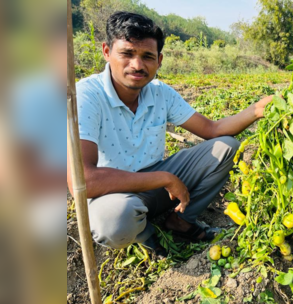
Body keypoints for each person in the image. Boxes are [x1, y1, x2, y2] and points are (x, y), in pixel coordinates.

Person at [66, 11, 272, 250]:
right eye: (127, 54)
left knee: (227, 147)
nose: (137, 65)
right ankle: (146, 234)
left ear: (159, 60)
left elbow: (211, 129)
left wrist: (257, 110)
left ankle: (181, 221)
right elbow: (83, 180)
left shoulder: (159, 92)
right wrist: (164, 178)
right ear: (106, 51)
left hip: (156, 184)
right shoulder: (86, 96)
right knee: (114, 223)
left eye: (147, 56)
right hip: (114, 193)